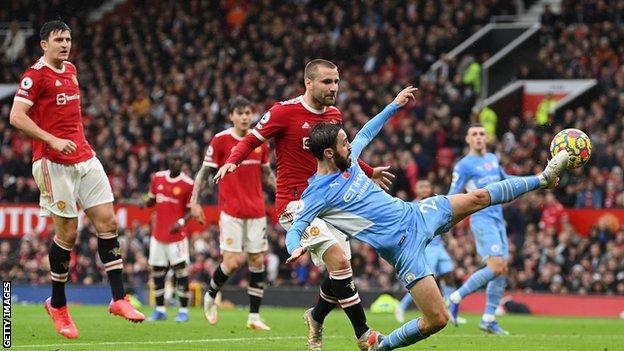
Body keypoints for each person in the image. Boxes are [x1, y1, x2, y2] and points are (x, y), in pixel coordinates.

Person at [284, 86, 569, 350]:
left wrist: (394, 105)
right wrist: (294, 247)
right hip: (402, 250)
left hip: (416, 213)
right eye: (345, 144)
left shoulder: (348, 159)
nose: (352, 147)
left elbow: (368, 132)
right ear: (330, 153)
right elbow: (296, 227)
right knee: (438, 319)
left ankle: (543, 178)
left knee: (477, 198)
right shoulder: (316, 194)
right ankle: (382, 347)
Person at [211, 59, 393, 350]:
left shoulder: (334, 114)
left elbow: (342, 154)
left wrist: (369, 171)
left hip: (330, 203)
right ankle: (364, 335)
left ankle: (315, 318)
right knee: (340, 262)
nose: (334, 88)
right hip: (295, 205)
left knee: (339, 274)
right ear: (309, 82)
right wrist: (232, 161)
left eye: (336, 82)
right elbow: (251, 140)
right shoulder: (283, 111)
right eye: (327, 82)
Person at [8, 20, 144, 339]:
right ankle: (58, 305)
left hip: (84, 156)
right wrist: (52, 140)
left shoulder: (70, 69)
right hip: (52, 162)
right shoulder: (34, 76)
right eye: (59, 39)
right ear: (44, 44)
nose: (65, 44)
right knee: (68, 233)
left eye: (68, 39)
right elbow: (16, 117)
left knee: (108, 223)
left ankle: (118, 298)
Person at [190, 97, 275, 331]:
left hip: (256, 211)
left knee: (257, 260)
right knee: (234, 261)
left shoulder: (260, 141)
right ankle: (211, 294)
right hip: (231, 212)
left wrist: (284, 197)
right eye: (240, 113)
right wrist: (194, 202)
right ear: (231, 116)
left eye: (248, 112)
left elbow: (267, 175)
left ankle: (253, 317)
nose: (245, 117)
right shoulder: (220, 141)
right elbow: (204, 172)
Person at [446, 124, 515, 335]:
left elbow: (507, 181)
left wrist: (537, 179)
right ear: (467, 139)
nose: (478, 137)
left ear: (487, 138)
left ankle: (488, 318)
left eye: (482, 134)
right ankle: (455, 297)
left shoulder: (493, 158)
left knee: (501, 268)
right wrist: (448, 226)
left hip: (498, 219)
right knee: (495, 267)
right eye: (474, 134)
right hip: (482, 219)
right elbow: (452, 195)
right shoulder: (463, 166)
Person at [393, 180, 459, 324]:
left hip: (439, 246)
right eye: (421, 187)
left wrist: (451, 239)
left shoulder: (434, 203)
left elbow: (443, 222)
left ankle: (451, 311)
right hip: (426, 247)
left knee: (448, 275)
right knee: (426, 279)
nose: (424, 189)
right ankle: (401, 306)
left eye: (427, 186)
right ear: (416, 190)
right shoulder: (411, 206)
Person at [143, 150, 194, 323]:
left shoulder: (188, 184)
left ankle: (183, 311)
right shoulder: (157, 178)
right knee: (157, 272)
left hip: (177, 236)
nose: (176, 162)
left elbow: (191, 211)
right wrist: (147, 201)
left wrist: (179, 223)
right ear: (168, 160)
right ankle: (160, 310)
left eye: (180, 159)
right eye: (174, 158)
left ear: (183, 163)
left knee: (181, 272)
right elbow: (151, 199)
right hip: (158, 235)